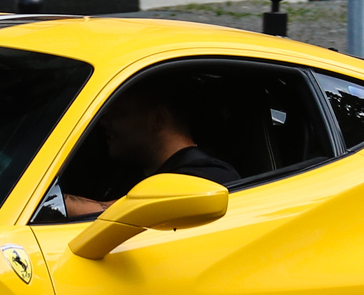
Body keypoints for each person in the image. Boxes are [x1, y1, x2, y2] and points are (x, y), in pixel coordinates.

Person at [59, 81, 238, 217]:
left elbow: (112, 212)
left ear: (158, 119)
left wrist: (52, 202)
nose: (103, 122)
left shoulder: (210, 177)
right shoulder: (124, 172)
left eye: (117, 112)